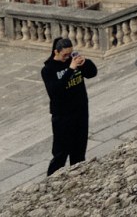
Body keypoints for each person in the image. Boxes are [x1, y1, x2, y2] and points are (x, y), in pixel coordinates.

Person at [42, 37, 98, 175]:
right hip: (63, 116)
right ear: (56, 52)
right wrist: (71, 69)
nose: (67, 57)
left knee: (79, 150)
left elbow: (92, 73)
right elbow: (56, 91)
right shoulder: (48, 70)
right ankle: (52, 179)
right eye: (64, 55)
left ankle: (78, 175)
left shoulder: (73, 62)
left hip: (80, 111)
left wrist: (85, 63)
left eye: (70, 54)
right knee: (60, 153)